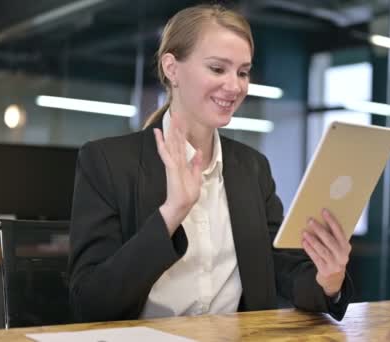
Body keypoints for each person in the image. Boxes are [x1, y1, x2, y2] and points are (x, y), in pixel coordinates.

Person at [68, 4, 353, 323]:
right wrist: (172, 212)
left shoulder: (252, 168)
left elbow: (282, 267)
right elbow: (90, 303)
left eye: (243, 72)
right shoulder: (108, 162)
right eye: (218, 69)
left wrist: (329, 281)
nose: (234, 86)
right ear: (172, 68)